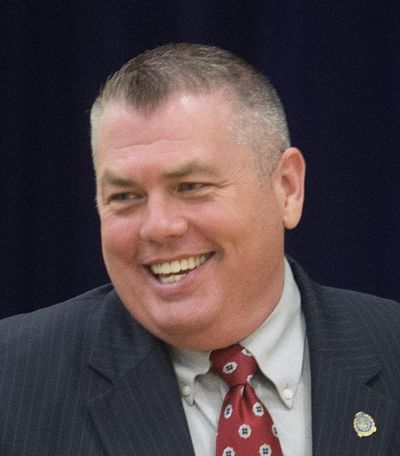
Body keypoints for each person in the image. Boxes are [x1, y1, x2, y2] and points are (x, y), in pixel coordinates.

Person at [1, 43, 399, 456]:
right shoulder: (12, 383)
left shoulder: (391, 347)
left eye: (191, 188)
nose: (158, 226)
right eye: (124, 196)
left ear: (287, 188)